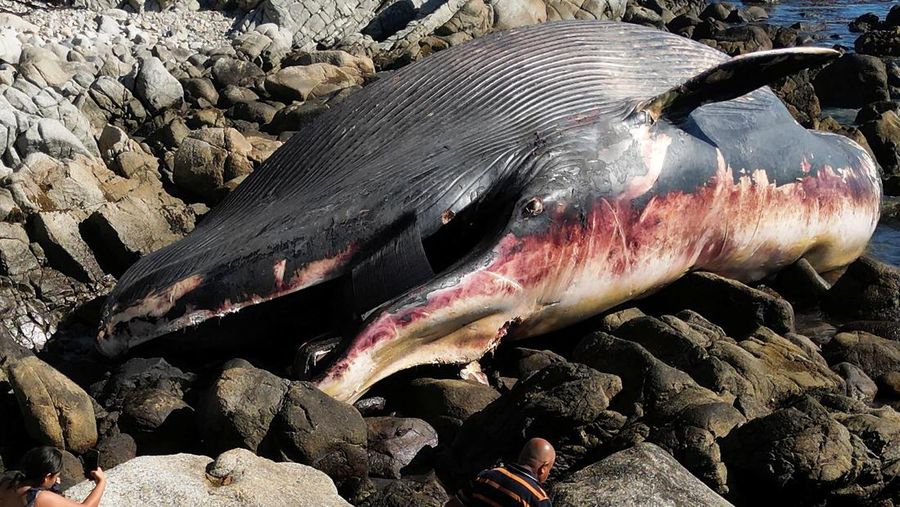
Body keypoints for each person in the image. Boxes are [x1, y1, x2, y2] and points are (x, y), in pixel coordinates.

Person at [447, 438, 556, 507]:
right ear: (544, 467)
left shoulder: (487, 475)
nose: (549, 473)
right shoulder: (538, 499)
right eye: (549, 469)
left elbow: (453, 505)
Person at [0, 446, 106, 507]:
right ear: (47, 476)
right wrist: (101, 482)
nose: (56, 480)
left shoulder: (6, 482)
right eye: (55, 476)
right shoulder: (39, 497)